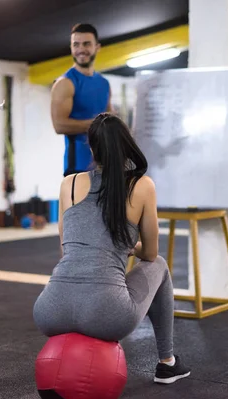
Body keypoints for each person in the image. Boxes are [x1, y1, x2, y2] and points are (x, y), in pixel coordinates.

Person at [33, 113, 191, 384]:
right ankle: (167, 363)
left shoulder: (68, 184)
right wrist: (130, 245)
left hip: (49, 310)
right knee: (160, 266)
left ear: (93, 148)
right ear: (126, 144)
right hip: (107, 315)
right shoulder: (143, 185)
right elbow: (150, 254)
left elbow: (67, 248)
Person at [50, 23, 113, 177]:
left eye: (86, 44)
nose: (80, 49)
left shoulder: (104, 84)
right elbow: (59, 125)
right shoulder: (65, 83)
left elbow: (111, 121)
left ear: (97, 47)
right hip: (78, 168)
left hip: (104, 165)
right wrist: (99, 125)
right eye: (76, 44)